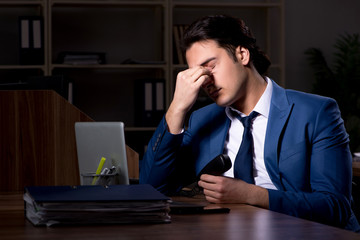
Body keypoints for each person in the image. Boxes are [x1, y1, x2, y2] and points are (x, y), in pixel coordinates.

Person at [139, 14, 360, 232]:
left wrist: (251, 195)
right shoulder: (201, 119)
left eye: (210, 66)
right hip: (225, 230)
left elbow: (335, 207)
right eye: (197, 73)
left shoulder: (316, 112)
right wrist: (177, 107)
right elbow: (151, 190)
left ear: (242, 54)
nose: (205, 81)